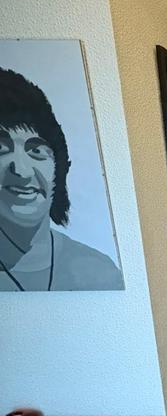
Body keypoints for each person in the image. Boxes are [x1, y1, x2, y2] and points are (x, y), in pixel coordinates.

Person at [0, 67, 123, 291]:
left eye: (36, 151)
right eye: (2, 149)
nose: (22, 171)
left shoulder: (101, 273)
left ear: (59, 168)